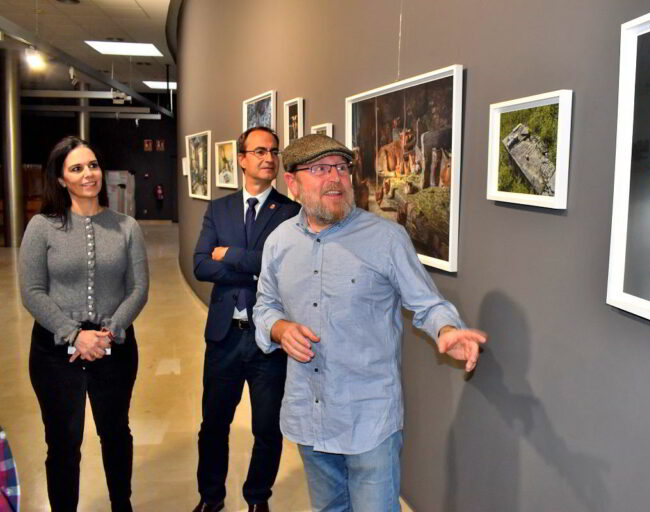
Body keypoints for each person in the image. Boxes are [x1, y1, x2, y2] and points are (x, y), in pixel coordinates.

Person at [253, 134, 487, 512]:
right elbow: (265, 306)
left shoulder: (386, 238)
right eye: (319, 169)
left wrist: (447, 329)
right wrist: (279, 328)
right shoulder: (279, 242)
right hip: (308, 411)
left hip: (368, 416)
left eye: (341, 168)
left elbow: (427, 304)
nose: (335, 179)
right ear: (292, 183)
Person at [18, 136, 149, 512]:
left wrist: (107, 335)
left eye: (92, 165)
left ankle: (121, 504)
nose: (88, 174)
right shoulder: (41, 227)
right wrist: (75, 335)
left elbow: (138, 288)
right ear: (60, 179)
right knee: (62, 440)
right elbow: (32, 291)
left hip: (115, 347)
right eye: (76, 168)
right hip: (54, 353)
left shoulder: (126, 227)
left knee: (116, 433)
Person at [192, 127, 300, 512]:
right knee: (214, 425)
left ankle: (258, 499)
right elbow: (201, 265)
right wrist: (255, 267)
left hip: (268, 338)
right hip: (223, 336)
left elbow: (283, 270)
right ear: (241, 159)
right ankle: (211, 497)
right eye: (259, 151)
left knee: (267, 428)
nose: (268, 158)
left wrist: (232, 255)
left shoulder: (290, 212)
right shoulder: (218, 209)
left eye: (273, 151)